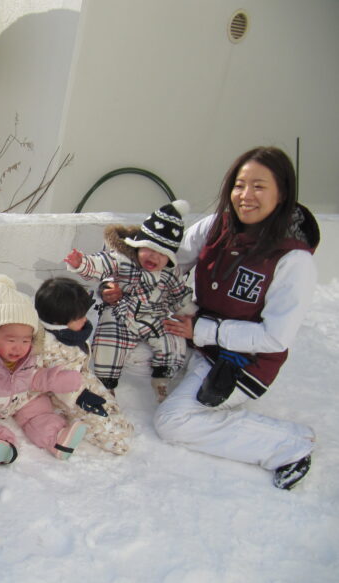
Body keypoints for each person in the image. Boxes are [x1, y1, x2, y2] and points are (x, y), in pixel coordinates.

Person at [152, 146, 319, 490]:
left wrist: (204, 331)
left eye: (259, 186)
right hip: (196, 336)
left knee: (173, 422)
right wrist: (129, 275)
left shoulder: (293, 260)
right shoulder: (215, 226)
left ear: (282, 193)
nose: (245, 196)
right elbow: (171, 265)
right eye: (239, 185)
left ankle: (288, 445)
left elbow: (276, 337)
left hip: (243, 360)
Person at [64, 200, 197, 400]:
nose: (154, 257)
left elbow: (179, 296)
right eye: (149, 249)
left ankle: (162, 377)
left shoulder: (171, 273)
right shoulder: (123, 260)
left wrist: (192, 317)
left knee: (173, 340)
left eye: (162, 254)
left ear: (169, 258)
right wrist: (82, 263)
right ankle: (105, 384)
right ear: (138, 245)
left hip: (155, 316)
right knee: (108, 342)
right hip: (121, 313)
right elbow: (101, 264)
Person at [0, 274, 87, 464]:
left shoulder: (31, 353)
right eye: (11, 340)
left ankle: (58, 437)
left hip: (22, 399)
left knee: (39, 412)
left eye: (25, 340)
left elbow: (34, 377)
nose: (18, 347)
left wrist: (55, 379)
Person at [34, 277, 134, 455]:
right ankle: (114, 440)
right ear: (59, 322)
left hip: (83, 379)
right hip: (64, 396)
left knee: (108, 405)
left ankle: (117, 424)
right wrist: (79, 397)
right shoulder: (48, 346)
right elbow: (54, 381)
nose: (85, 320)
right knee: (97, 420)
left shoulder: (71, 332)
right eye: (80, 317)